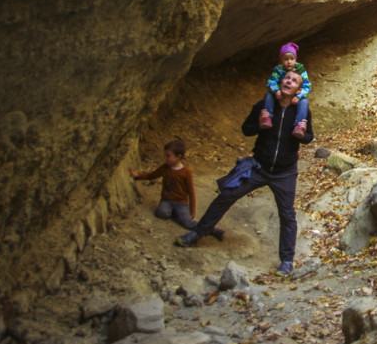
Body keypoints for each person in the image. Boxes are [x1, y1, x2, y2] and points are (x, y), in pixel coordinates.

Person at [175, 71, 314, 277]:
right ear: (280, 82)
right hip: (258, 166)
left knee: (287, 214)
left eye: (294, 81)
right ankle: (198, 233)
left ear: (297, 89)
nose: (289, 82)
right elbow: (246, 129)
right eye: (286, 78)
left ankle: (286, 261)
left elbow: (309, 137)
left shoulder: (300, 112)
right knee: (227, 195)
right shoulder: (264, 106)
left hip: (284, 172)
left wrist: (301, 135)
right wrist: (259, 123)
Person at [130, 140, 198, 230]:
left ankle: (211, 230)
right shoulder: (165, 167)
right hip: (167, 200)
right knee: (161, 213)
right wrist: (138, 175)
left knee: (188, 223)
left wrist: (192, 210)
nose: (165, 158)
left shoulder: (186, 172)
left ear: (178, 157)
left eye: (168, 156)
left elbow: (191, 192)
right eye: (165, 155)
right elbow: (151, 175)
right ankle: (175, 214)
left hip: (181, 202)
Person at [260, 42, 311, 137]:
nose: (289, 62)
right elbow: (272, 81)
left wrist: (299, 96)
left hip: (296, 96)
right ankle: (267, 117)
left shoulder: (301, 70)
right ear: (281, 60)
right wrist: (276, 90)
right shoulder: (278, 69)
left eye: (292, 59)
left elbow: (307, 86)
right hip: (279, 93)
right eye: (286, 59)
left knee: (304, 102)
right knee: (268, 95)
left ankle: (299, 125)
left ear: (296, 59)